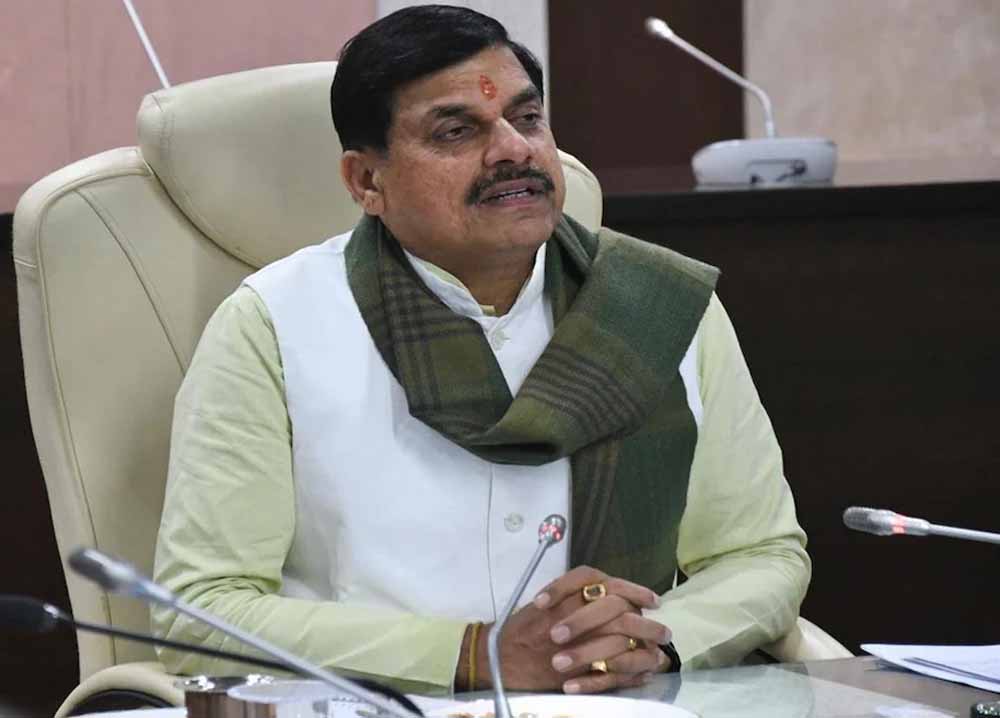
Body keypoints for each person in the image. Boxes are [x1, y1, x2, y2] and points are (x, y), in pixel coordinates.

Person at [152, 4, 810, 696]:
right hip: (377, 707)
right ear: (366, 181)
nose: (514, 150)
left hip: (620, 704)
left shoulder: (658, 308)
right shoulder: (274, 325)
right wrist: (470, 655)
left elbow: (761, 555)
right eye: (456, 131)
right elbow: (200, 610)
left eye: (527, 118)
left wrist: (652, 640)